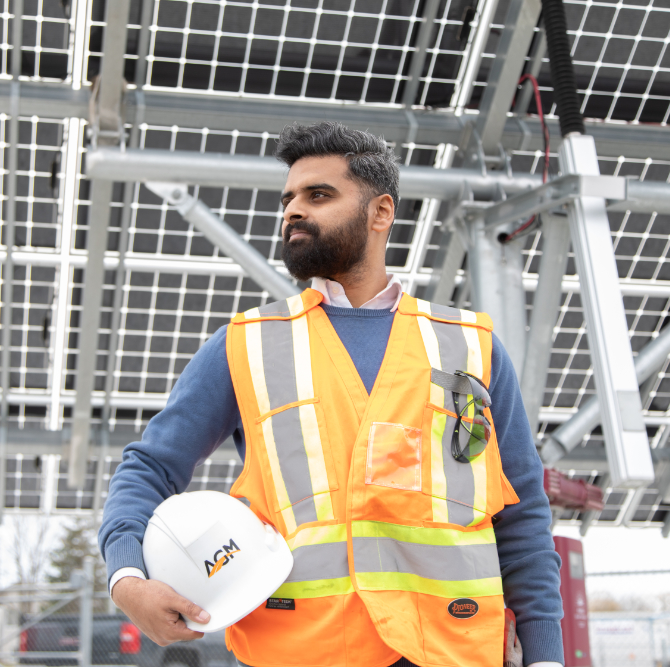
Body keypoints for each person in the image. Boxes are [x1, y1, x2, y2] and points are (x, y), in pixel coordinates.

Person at [99, 121, 564, 667]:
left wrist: (546, 656)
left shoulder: (471, 347)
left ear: (380, 213)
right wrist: (127, 579)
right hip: (298, 653)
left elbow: (523, 514)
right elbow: (149, 467)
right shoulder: (245, 345)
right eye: (288, 198)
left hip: (451, 651)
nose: (293, 210)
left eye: (318, 195)